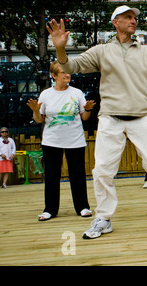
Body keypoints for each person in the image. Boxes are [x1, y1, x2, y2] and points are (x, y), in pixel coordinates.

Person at [46, 5, 147, 238]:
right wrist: (60, 49)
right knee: (102, 170)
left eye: (134, 18)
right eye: (128, 17)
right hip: (110, 118)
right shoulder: (101, 51)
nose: (133, 21)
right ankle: (103, 218)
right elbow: (72, 66)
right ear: (116, 22)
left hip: (141, 118)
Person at [26, 61, 94, 221]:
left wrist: (89, 109)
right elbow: (39, 120)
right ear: (54, 76)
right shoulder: (46, 94)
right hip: (52, 141)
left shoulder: (77, 93)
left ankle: (83, 207)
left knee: (77, 175)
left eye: (68, 72)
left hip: (75, 140)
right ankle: (50, 209)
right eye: (63, 72)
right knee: (51, 175)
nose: (67, 74)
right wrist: (36, 111)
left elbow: (84, 116)